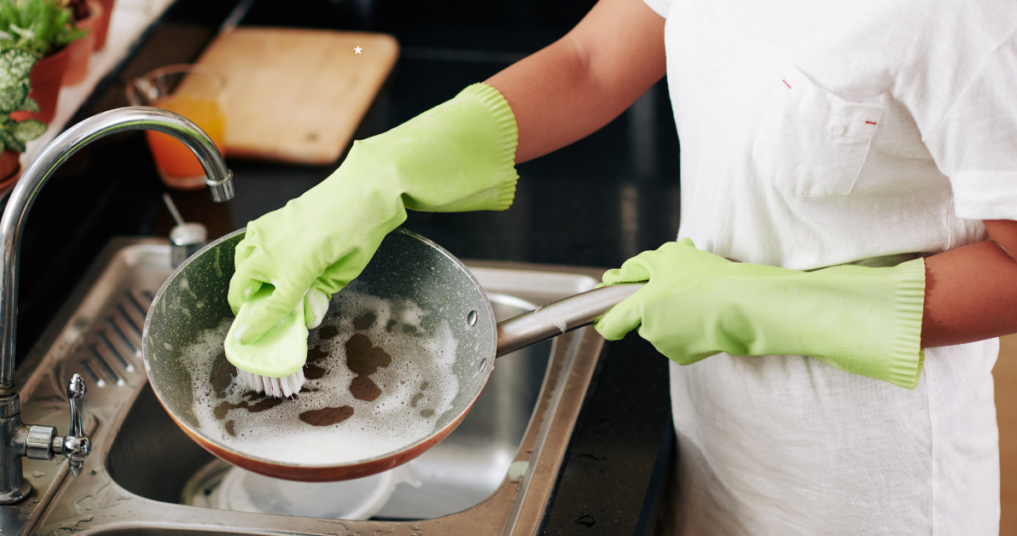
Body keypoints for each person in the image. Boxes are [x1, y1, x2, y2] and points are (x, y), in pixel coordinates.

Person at [226, 0, 1017, 532]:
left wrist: (773, 306)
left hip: (871, 490)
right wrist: (383, 173)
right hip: (715, 439)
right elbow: (592, 62)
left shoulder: (965, 20)